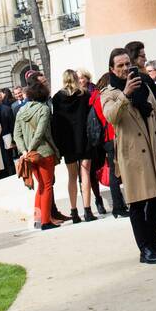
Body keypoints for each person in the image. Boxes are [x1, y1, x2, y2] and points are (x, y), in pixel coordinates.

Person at [101, 47, 156, 265]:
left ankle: (153, 241)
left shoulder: (144, 85)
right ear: (112, 69)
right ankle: (144, 249)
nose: (125, 69)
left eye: (127, 64)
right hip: (132, 155)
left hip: (154, 150)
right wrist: (125, 94)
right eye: (120, 66)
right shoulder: (109, 93)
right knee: (137, 202)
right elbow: (111, 117)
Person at [14, 73, 61, 230]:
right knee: (47, 186)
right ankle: (46, 221)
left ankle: (38, 219)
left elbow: (17, 135)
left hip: (30, 156)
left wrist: (24, 151)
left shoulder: (21, 111)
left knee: (40, 186)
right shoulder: (44, 109)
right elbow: (40, 133)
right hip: (44, 152)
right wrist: (31, 149)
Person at [51, 70, 96, 223]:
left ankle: (74, 211)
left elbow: (56, 123)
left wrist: (58, 145)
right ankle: (88, 210)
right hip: (84, 140)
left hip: (68, 142)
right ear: (76, 79)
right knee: (85, 175)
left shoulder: (57, 98)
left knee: (72, 176)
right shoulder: (84, 95)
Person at [90, 74, 129, 218]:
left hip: (105, 139)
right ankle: (118, 205)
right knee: (116, 172)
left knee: (114, 171)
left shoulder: (95, 97)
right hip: (113, 136)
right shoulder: (105, 97)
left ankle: (118, 205)